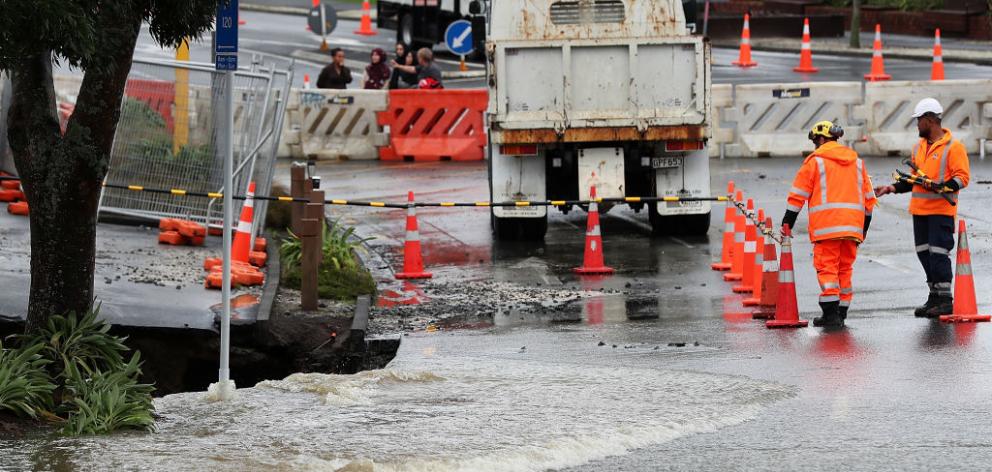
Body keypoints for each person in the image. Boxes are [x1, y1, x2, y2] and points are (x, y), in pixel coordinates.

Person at [874, 98, 970, 318]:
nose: (917, 125)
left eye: (919, 120)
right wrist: (891, 188)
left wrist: (946, 185)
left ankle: (945, 300)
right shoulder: (918, 147)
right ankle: (934, 296)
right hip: (920, 211)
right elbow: (915, 180)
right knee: (924, 254)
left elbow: (963, 177)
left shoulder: (953, 147)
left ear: (929, 120)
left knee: (938, 254)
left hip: (940, 212)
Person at [782, 121, 876, 328]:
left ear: (822, 139)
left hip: (826, 229)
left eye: (816, 141)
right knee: (845, 269)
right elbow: (870, 201)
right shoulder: (857, 163)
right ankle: (841, 312)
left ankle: (831, 315)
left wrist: (787, 223)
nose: (815, 146)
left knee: (827, 269)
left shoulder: (815, 162)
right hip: (853, 228)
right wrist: (863, 229)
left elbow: (798, 196)